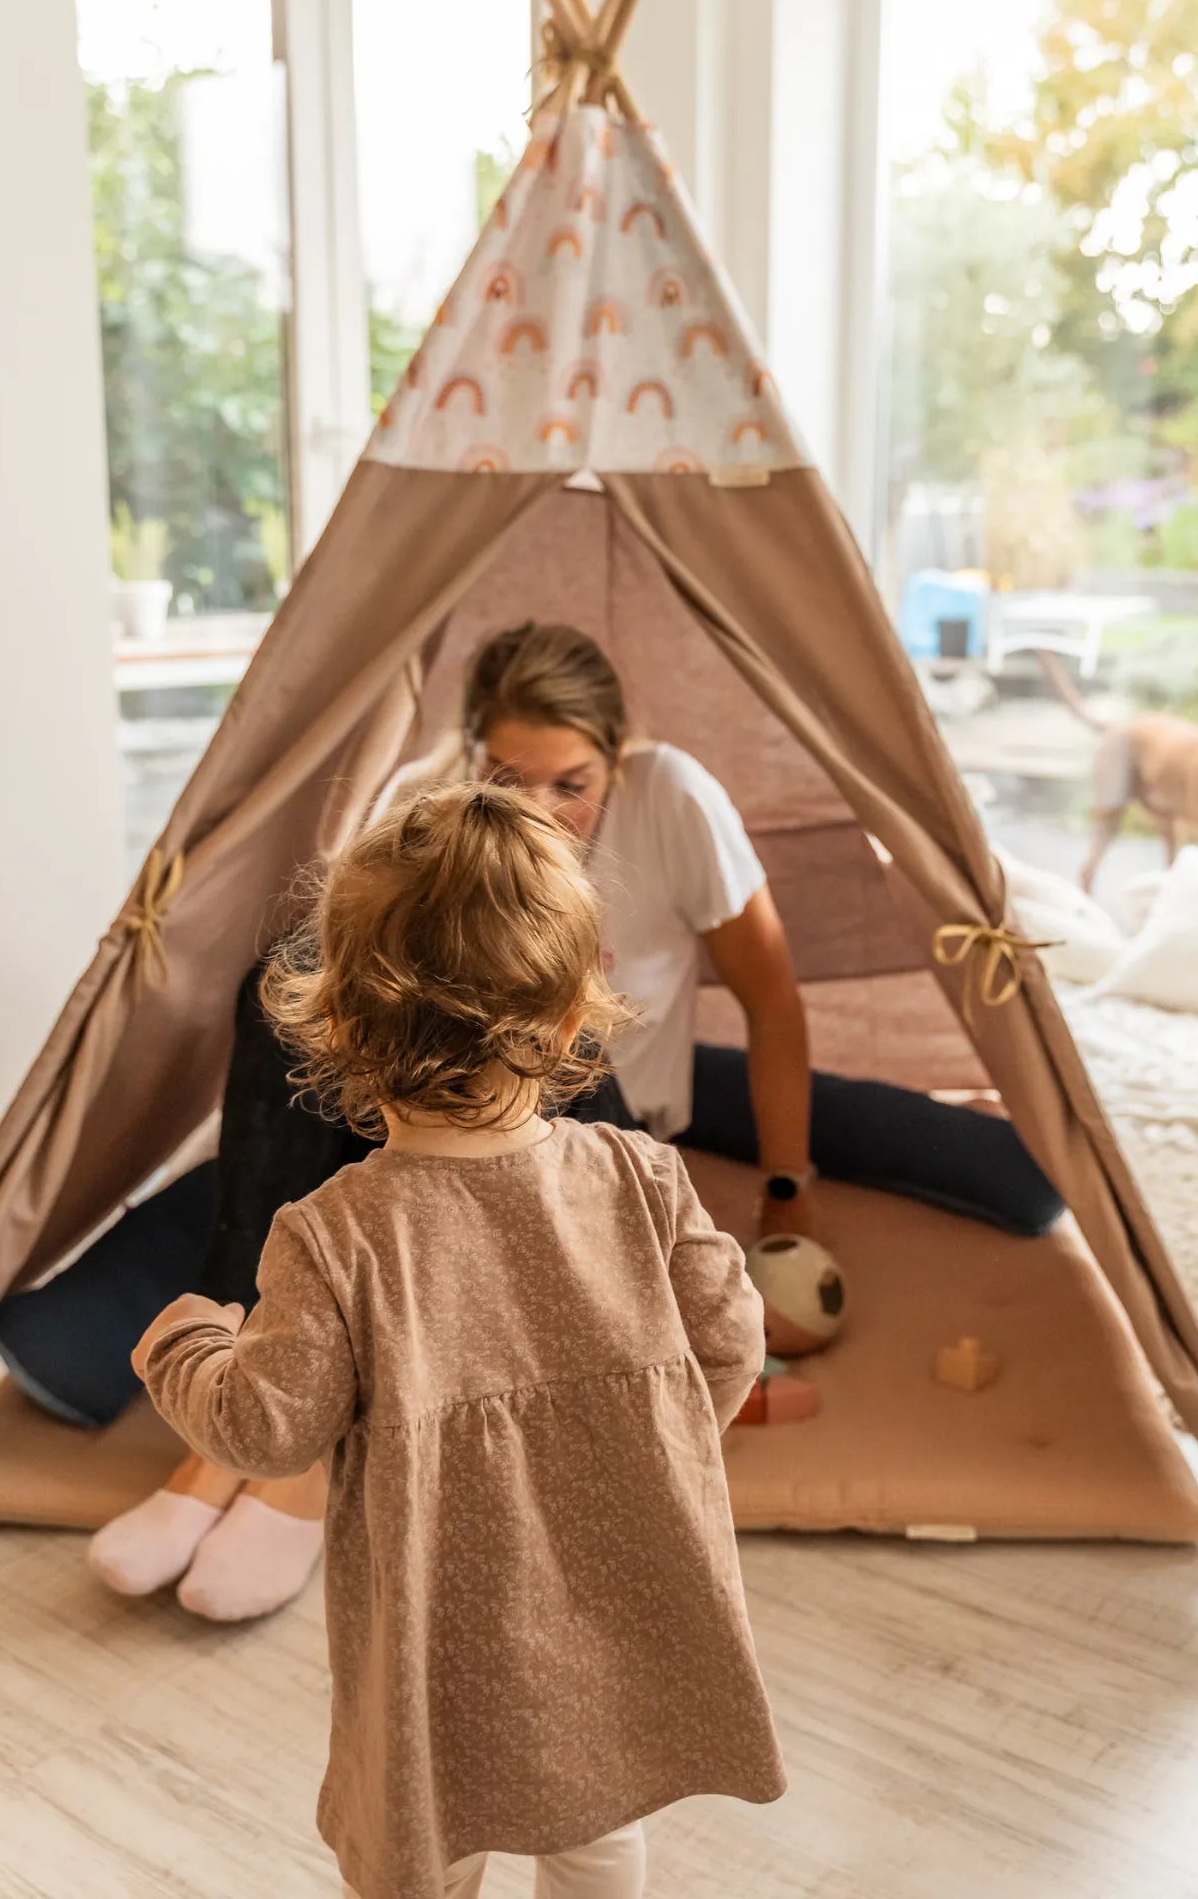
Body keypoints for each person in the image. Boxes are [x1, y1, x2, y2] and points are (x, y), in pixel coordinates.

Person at [79, 622, 827, 1620]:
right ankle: (243, 1405)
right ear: (474, 754)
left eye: (571, 782)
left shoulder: (675, 798)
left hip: (568, 1099)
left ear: (618, 754)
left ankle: (289, 1457)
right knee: (286, 975)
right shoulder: (432, 811)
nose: (545, 810)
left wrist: (786, 1192)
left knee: (469, 1094)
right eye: (511, 777)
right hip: (419, 1103)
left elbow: (773, 999)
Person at [132, 781, 786, 1899]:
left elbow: (265, 1425)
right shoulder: (640, 1175)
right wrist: (644, 1445)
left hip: (443, 1639)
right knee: (597, 1824)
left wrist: (185, 1340)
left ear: (331, 1017)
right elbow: (729, 1342)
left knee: (423, 1842)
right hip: (618, 1604)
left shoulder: (335, 1233)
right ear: (578, 1008)